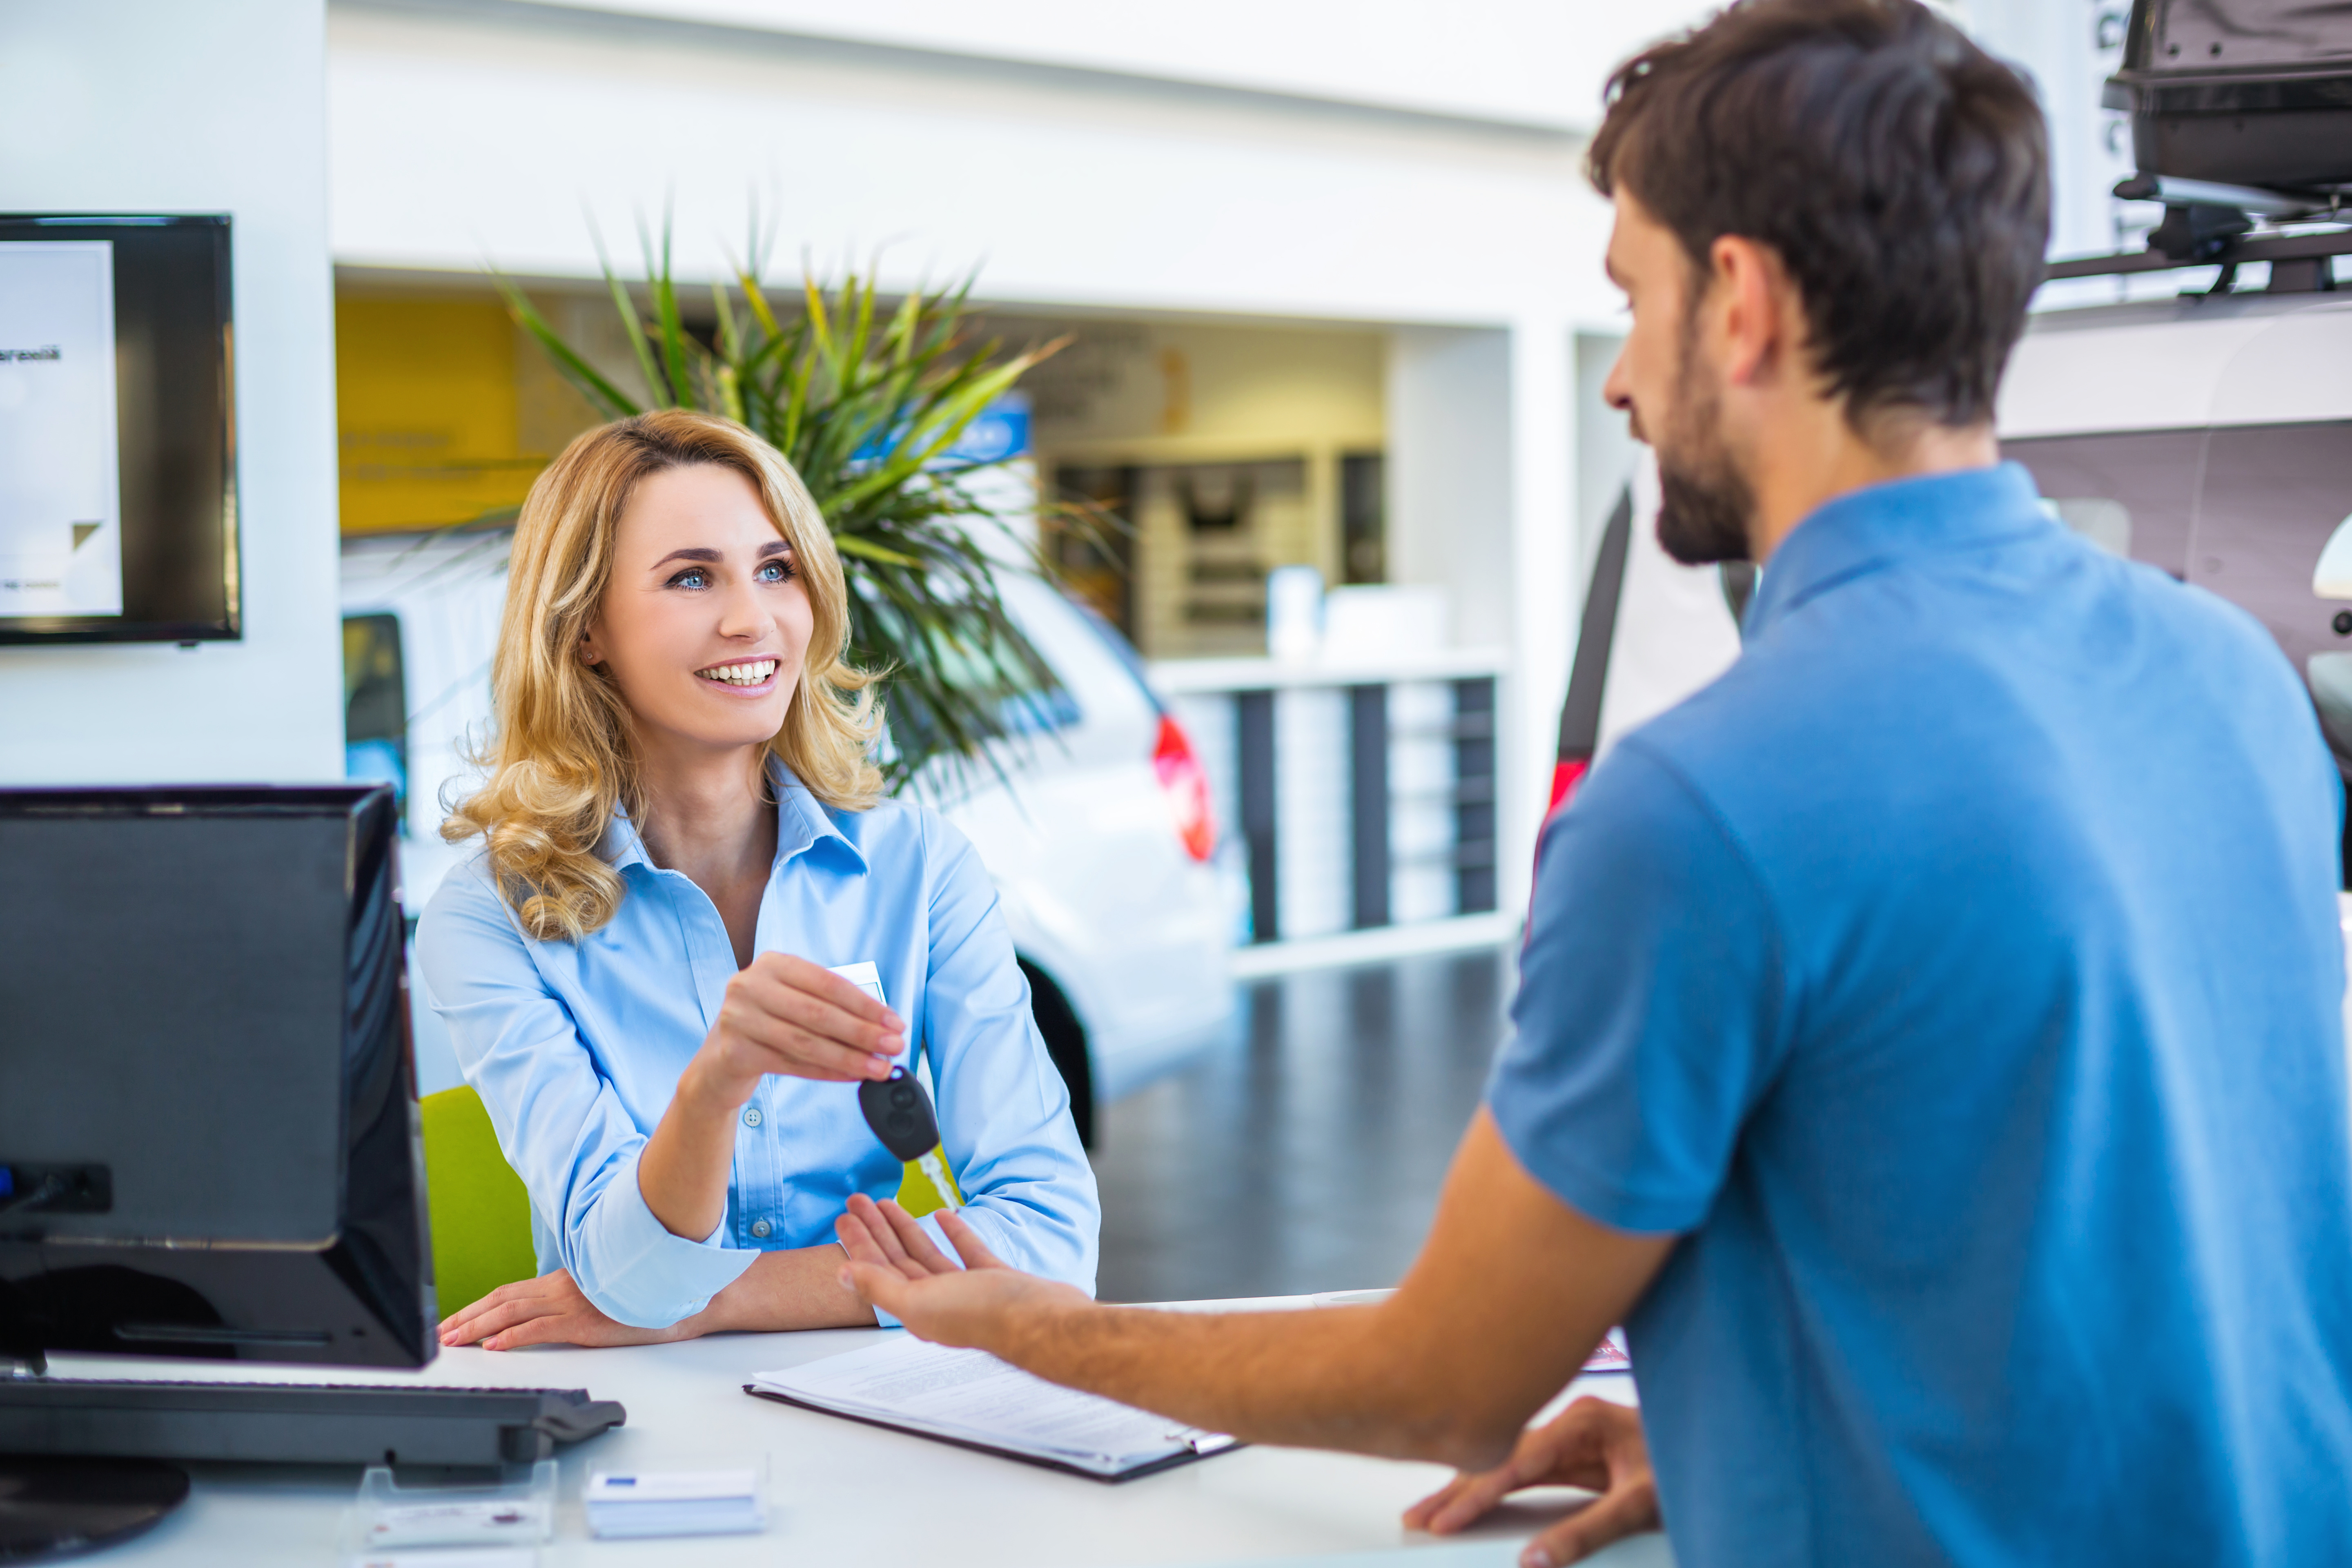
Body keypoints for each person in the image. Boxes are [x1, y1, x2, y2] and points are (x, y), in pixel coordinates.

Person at [831, 2, 2352, 1564]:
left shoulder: (1708, 801)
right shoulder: (2231, 678)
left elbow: (1448, 1382)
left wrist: (1028, 1326)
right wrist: (1751, 1420)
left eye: (1634, 299)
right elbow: (2127, 1246)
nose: (1622, 382)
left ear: (1742, 301)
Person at [418, 409, 1098, 1350]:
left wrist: (724, 1300)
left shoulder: (919, 867)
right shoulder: (490, 917)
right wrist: (717, 1083)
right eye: (693, 577)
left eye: (777, 570)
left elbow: (1053, 1244)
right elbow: (627, 1274)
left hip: (893, 1406)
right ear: (582, 631)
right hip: (650, 1432)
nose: (755, 618)